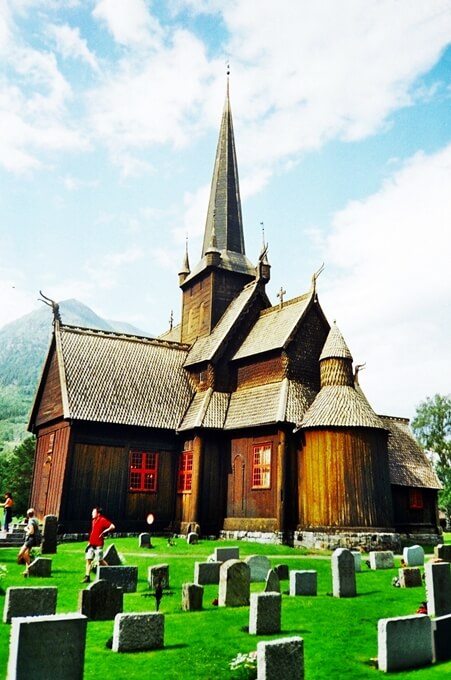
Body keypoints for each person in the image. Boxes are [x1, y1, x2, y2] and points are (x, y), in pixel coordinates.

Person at [82, 506, 115, 583]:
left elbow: (112, 526)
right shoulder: (93, 521)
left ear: (98, 514)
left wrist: (104, 532)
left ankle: (110, 572)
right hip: (91, 544)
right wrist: (89, 543)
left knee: (100, 561)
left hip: (98, 544)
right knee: (88, 560)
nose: (92, 514)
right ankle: (87, 577)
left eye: (93, 513)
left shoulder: (102, 520)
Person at [17, 508, 40, 577]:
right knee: (26, 554)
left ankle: (31, 566)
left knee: (20, 554)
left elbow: (31, 532)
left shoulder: (31, 521)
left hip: (31, 539)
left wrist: (26, 529)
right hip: (34, 538)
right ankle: (27, 570)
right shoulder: (35, 519)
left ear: (28, 514)